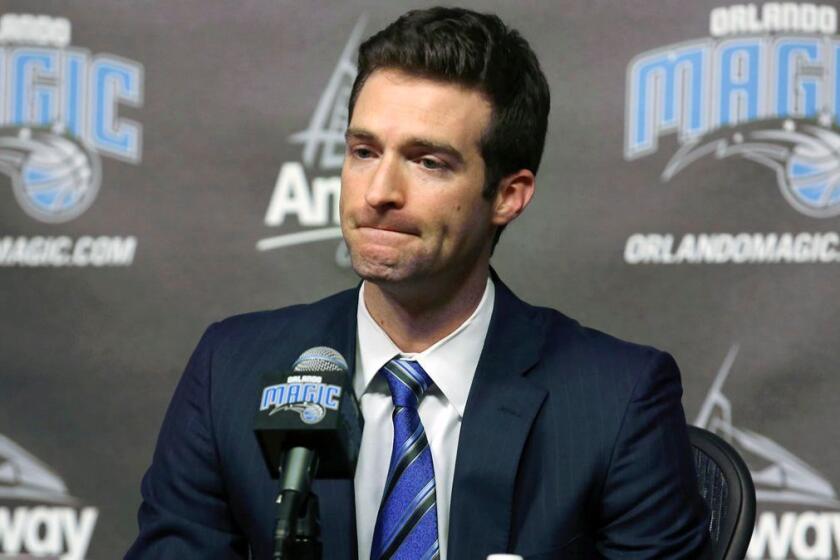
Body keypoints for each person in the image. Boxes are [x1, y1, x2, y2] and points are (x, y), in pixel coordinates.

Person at [127, 7, 710, 559]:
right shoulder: (230, 371)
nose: (379, 191)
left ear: (509, 195)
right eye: (363, 151)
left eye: (428, 162)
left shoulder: (616, 399)